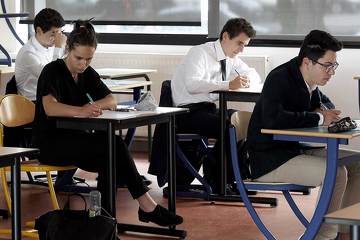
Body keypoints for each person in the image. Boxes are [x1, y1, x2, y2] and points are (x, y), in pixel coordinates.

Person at [32, 20, 183, 227]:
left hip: (77, 139)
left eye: (89, 59)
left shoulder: (87, 72)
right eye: (79, 58)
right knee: (111, 148)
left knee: (111, 152)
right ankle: (145, 207)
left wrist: (96, 106)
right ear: (68, 50)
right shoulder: (52, 71)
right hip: (51, 143)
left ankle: (104, 220)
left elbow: (111, 100)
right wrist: (83, 110)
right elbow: (50, 107)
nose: (83, 63)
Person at [247, 30, 360, 240]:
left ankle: (345, 233)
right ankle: (323, 236)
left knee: (357, 164)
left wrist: (322, 113)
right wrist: (317, 118)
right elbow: (274, 119)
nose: (331, 72)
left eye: (334, 65)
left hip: (294, 151)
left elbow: (327, 107)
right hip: (270, 159)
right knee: (336, 173)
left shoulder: (310, 82)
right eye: (327, 65)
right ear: (308, 62)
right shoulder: (279, 78)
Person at [171, 18, 261, 192]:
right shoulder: (199, 52)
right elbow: (192, 84)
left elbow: (253, 73)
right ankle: (217, 180)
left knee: (246, 121)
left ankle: (237, 178)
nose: (242, 50)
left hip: (208, 109)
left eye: (245, 45)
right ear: (225, 36)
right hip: (187, 113)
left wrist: (247, 79)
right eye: (240, 43)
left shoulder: (230, 57)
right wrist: (228, 84)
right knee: (230, 127)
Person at [15, 8, 66, 101]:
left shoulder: (49, 46)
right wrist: (58, 47)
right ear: (39, 30)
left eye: (60, 33)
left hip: (50, 99)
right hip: (32, 103)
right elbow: (51, 77)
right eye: (53, 34)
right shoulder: (28, 53)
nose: (57, 38)